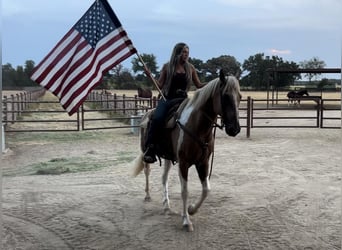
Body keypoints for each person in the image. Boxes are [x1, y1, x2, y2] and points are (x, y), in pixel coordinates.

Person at [143, 42, 206, 163]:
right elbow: (160, 85)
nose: (186, 55)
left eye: (187, 52)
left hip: (184, 100)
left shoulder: (191, 68)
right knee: (157, 118)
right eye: (184, 52)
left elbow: (199, 85)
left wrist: (215, 82)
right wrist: (149, 75)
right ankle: (150, 148)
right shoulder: (167, 67)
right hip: (168, 99)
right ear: (177, 53)